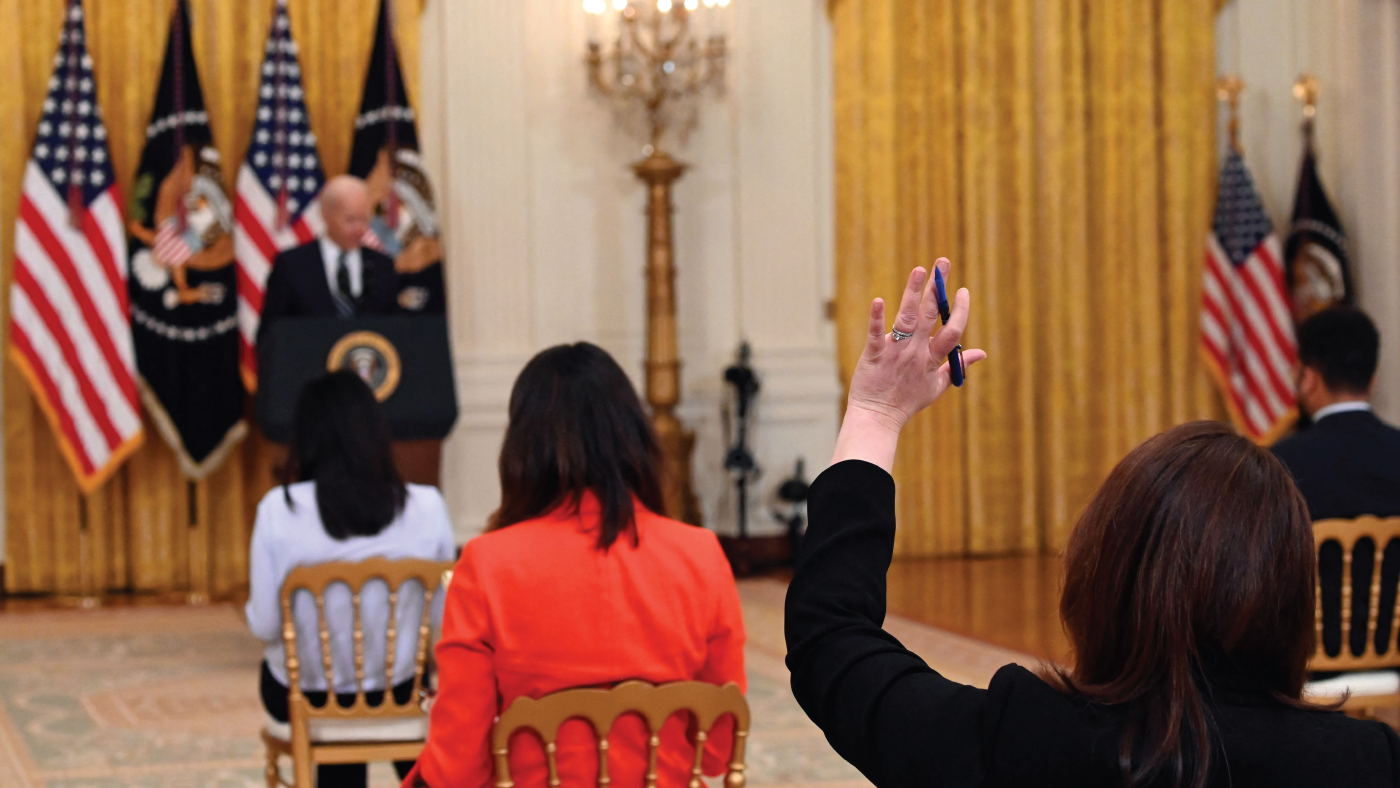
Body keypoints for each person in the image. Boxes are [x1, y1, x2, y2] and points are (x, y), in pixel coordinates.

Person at [785, 260, 1400, 788]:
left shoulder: (1024, 739)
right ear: (1294, 593)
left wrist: (875, 416)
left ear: (1102, 570)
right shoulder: (1363, 763)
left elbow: (829, 638)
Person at [402, 343, 745, 788]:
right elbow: (717, 750)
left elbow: (457, 768)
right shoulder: (700, 553)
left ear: (523, 446)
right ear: (635, 436)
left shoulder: (488, 564)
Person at [246, 371, 455, 788]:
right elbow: (444, 617)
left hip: (306, 696)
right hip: (400, 691)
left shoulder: (278, 510)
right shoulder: (428, 507)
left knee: (308, 690)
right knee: (397, 693)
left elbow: (266, 624)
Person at [1272, 307, 1400, 660]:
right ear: (1372, 380)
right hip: (1395, 654)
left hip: (1305, 658)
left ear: (1308, 378)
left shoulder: (1277, 465)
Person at [256, 175, 400, 350]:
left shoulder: (383, 266)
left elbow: (395, 332)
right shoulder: (292, 266)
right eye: (351, 220)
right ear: (326, 215)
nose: (360, 229)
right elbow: (270, 335)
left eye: (364, 219)